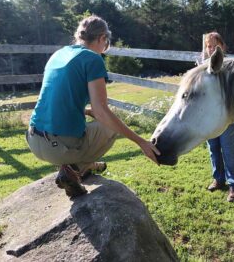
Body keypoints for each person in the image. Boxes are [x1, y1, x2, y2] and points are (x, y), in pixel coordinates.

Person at [26, 15, 159, 198]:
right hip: (58, 146)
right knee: (110, 127)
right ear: (102, 38)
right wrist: (141, 142)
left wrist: (86, 111)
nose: (105, 48)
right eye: (107, 42)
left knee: (100, 122)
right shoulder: (92, 59)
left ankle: (83, 168)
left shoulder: (60, 54)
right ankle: (77, 169)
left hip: (33, 138)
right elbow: (102, 111)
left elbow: (57, 99)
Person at [202, 32, 234, 202]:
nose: (211, 49)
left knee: (228, 149)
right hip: (209, 117)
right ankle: (218, 179)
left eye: (213, 46)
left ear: (222, 47)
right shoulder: (203, 66)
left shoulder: (231, 66)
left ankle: (233, 185)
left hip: (227, 117)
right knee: (213, 148)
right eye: (208, 46)